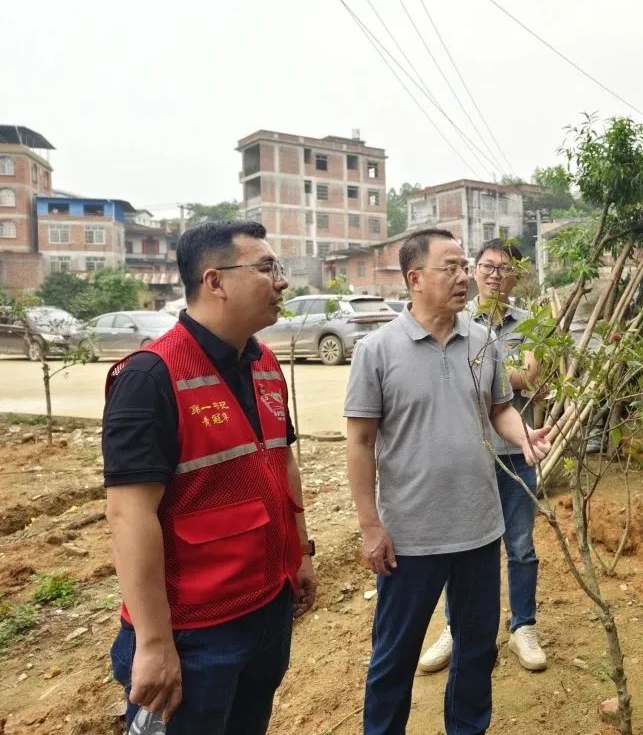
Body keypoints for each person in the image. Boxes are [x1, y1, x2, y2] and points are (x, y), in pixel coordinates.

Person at [103, 220, 317, 734]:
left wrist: (301, 553)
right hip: (195, 632)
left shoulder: (263, 362)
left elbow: (281, 460)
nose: (281, 281)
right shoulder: (149, 377)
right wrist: (155, 644)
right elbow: (128, 512)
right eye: (267, 268)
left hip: (267, 606)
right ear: (215, 281)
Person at [345, 229, 551, 735]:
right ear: (415, 279)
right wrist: (370, 526)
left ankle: (467, 727)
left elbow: (499, 407)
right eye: (452, 267)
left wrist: (523, 435)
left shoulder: (482, 341)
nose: (466, 277)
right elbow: (360, 443)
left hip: (480, 528)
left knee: (478, 649)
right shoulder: (376, 350)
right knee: (395, 655)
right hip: (411, 537)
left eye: (465, 266)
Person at [418, 238, 547, 674]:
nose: (495, 275)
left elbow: (530, 377)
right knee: (466, 547)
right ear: (474, 272)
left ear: (516, 275)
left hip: (518, 449)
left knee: (521, 545)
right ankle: (456, 627)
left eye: (504, 268)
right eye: (487, 267)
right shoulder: (457, 319)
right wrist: (500, 370)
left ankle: (523, 625)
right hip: (470, 455)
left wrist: (480, 368)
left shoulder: (531, 323)